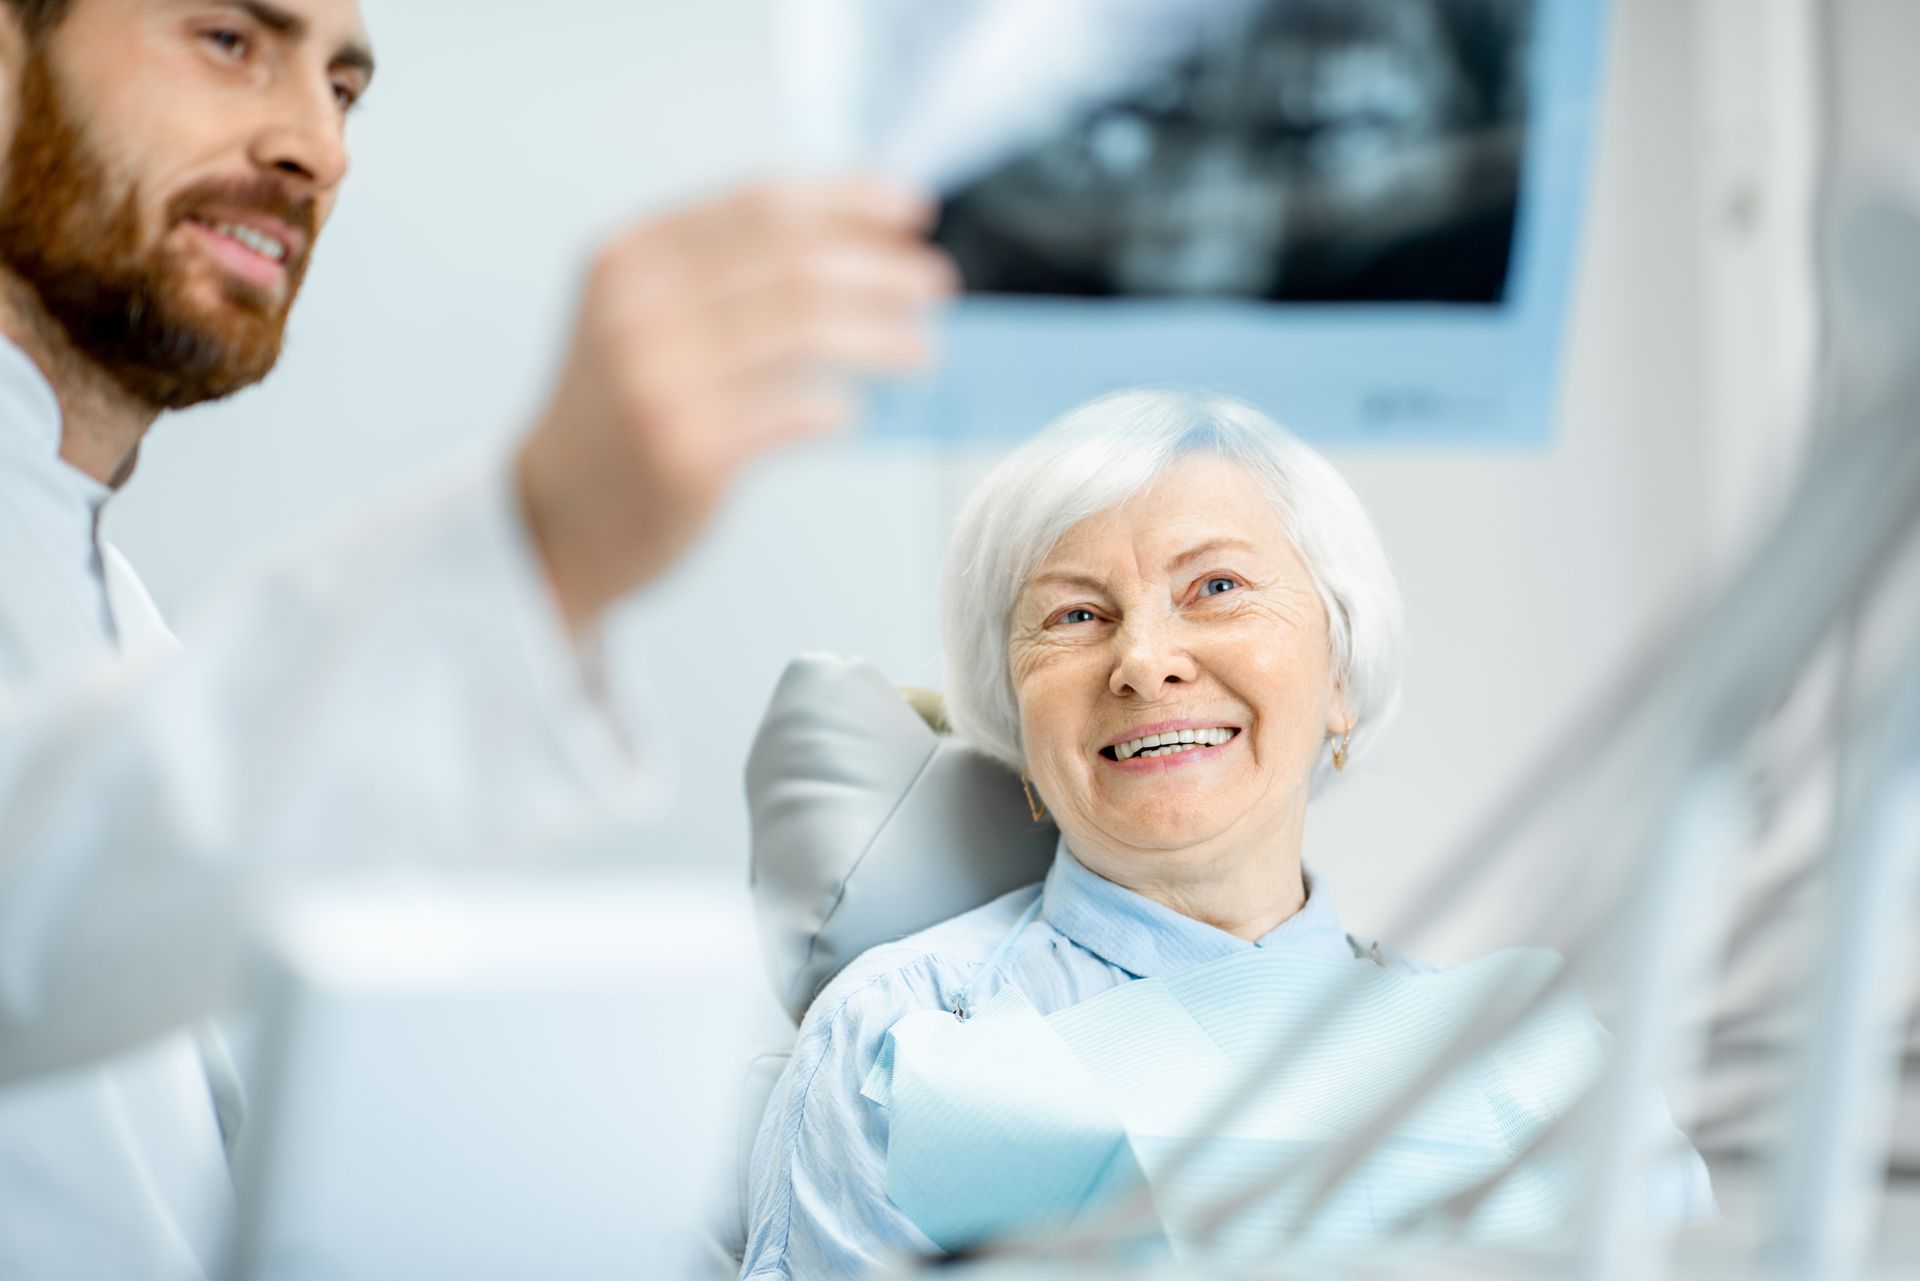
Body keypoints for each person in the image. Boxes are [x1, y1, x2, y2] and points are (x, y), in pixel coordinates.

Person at [0, 0, 955, 1276]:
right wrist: (541, 537)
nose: (315, 145)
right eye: (230, 40)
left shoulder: (109, 612)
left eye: (342, 89)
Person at [740, 389, 1715, 1277]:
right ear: (1018, 728)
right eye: (1076, 615)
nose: (1145, 661)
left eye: (1215, 588)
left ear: (1339, 676)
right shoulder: (905, 1044)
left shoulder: (1537, 1060)